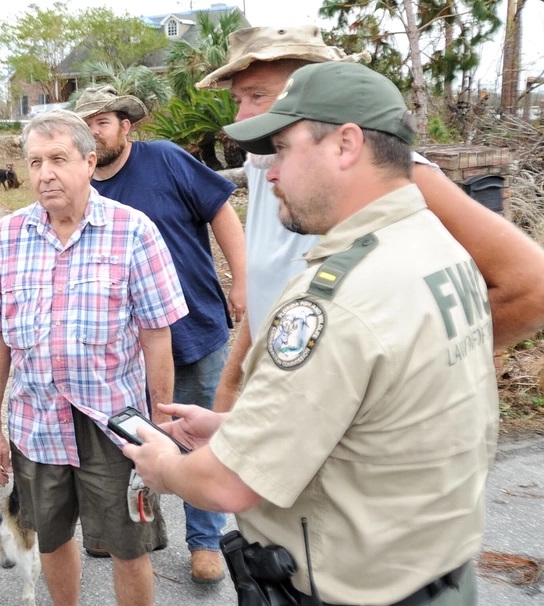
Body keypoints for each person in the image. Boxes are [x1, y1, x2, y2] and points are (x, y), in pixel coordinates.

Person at [125, 60, 498, 605]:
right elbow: (381, 409)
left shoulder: (337, 299)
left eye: (282, 148)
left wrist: (164, 466)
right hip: (436, 572)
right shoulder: (435, 247)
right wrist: (236, 426)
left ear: (345, 144)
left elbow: (228, 484)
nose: (270, 173)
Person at [195, 25, 544, 412]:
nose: (242, 117)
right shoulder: (268, 169)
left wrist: (397, 375)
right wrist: (230, 386)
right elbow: (271, 290)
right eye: (238, 99)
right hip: (284, 408)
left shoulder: (397, 177)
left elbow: (532, 287)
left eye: (259, 96)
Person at [0, 109, 188, 606]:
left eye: (57, 159)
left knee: (128, 546)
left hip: (114, 423)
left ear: (89, 162)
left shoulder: (133, 231)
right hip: (37, 421)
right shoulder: (6, 237)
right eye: (34, 162)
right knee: (50, 539)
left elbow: (158, 336)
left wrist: (159, 428)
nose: (44, 173)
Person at [74, 85, 246, 584]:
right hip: (121, 347)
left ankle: (206, 540)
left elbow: (220, 211)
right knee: (122, 436)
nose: (94, 133)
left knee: (196, 433)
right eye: (84, 124)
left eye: (102, 122)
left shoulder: (166, 160)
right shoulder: (79, 185)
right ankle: (119, 526)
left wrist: (243, 278)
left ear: (126, 126)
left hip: (193, 328)